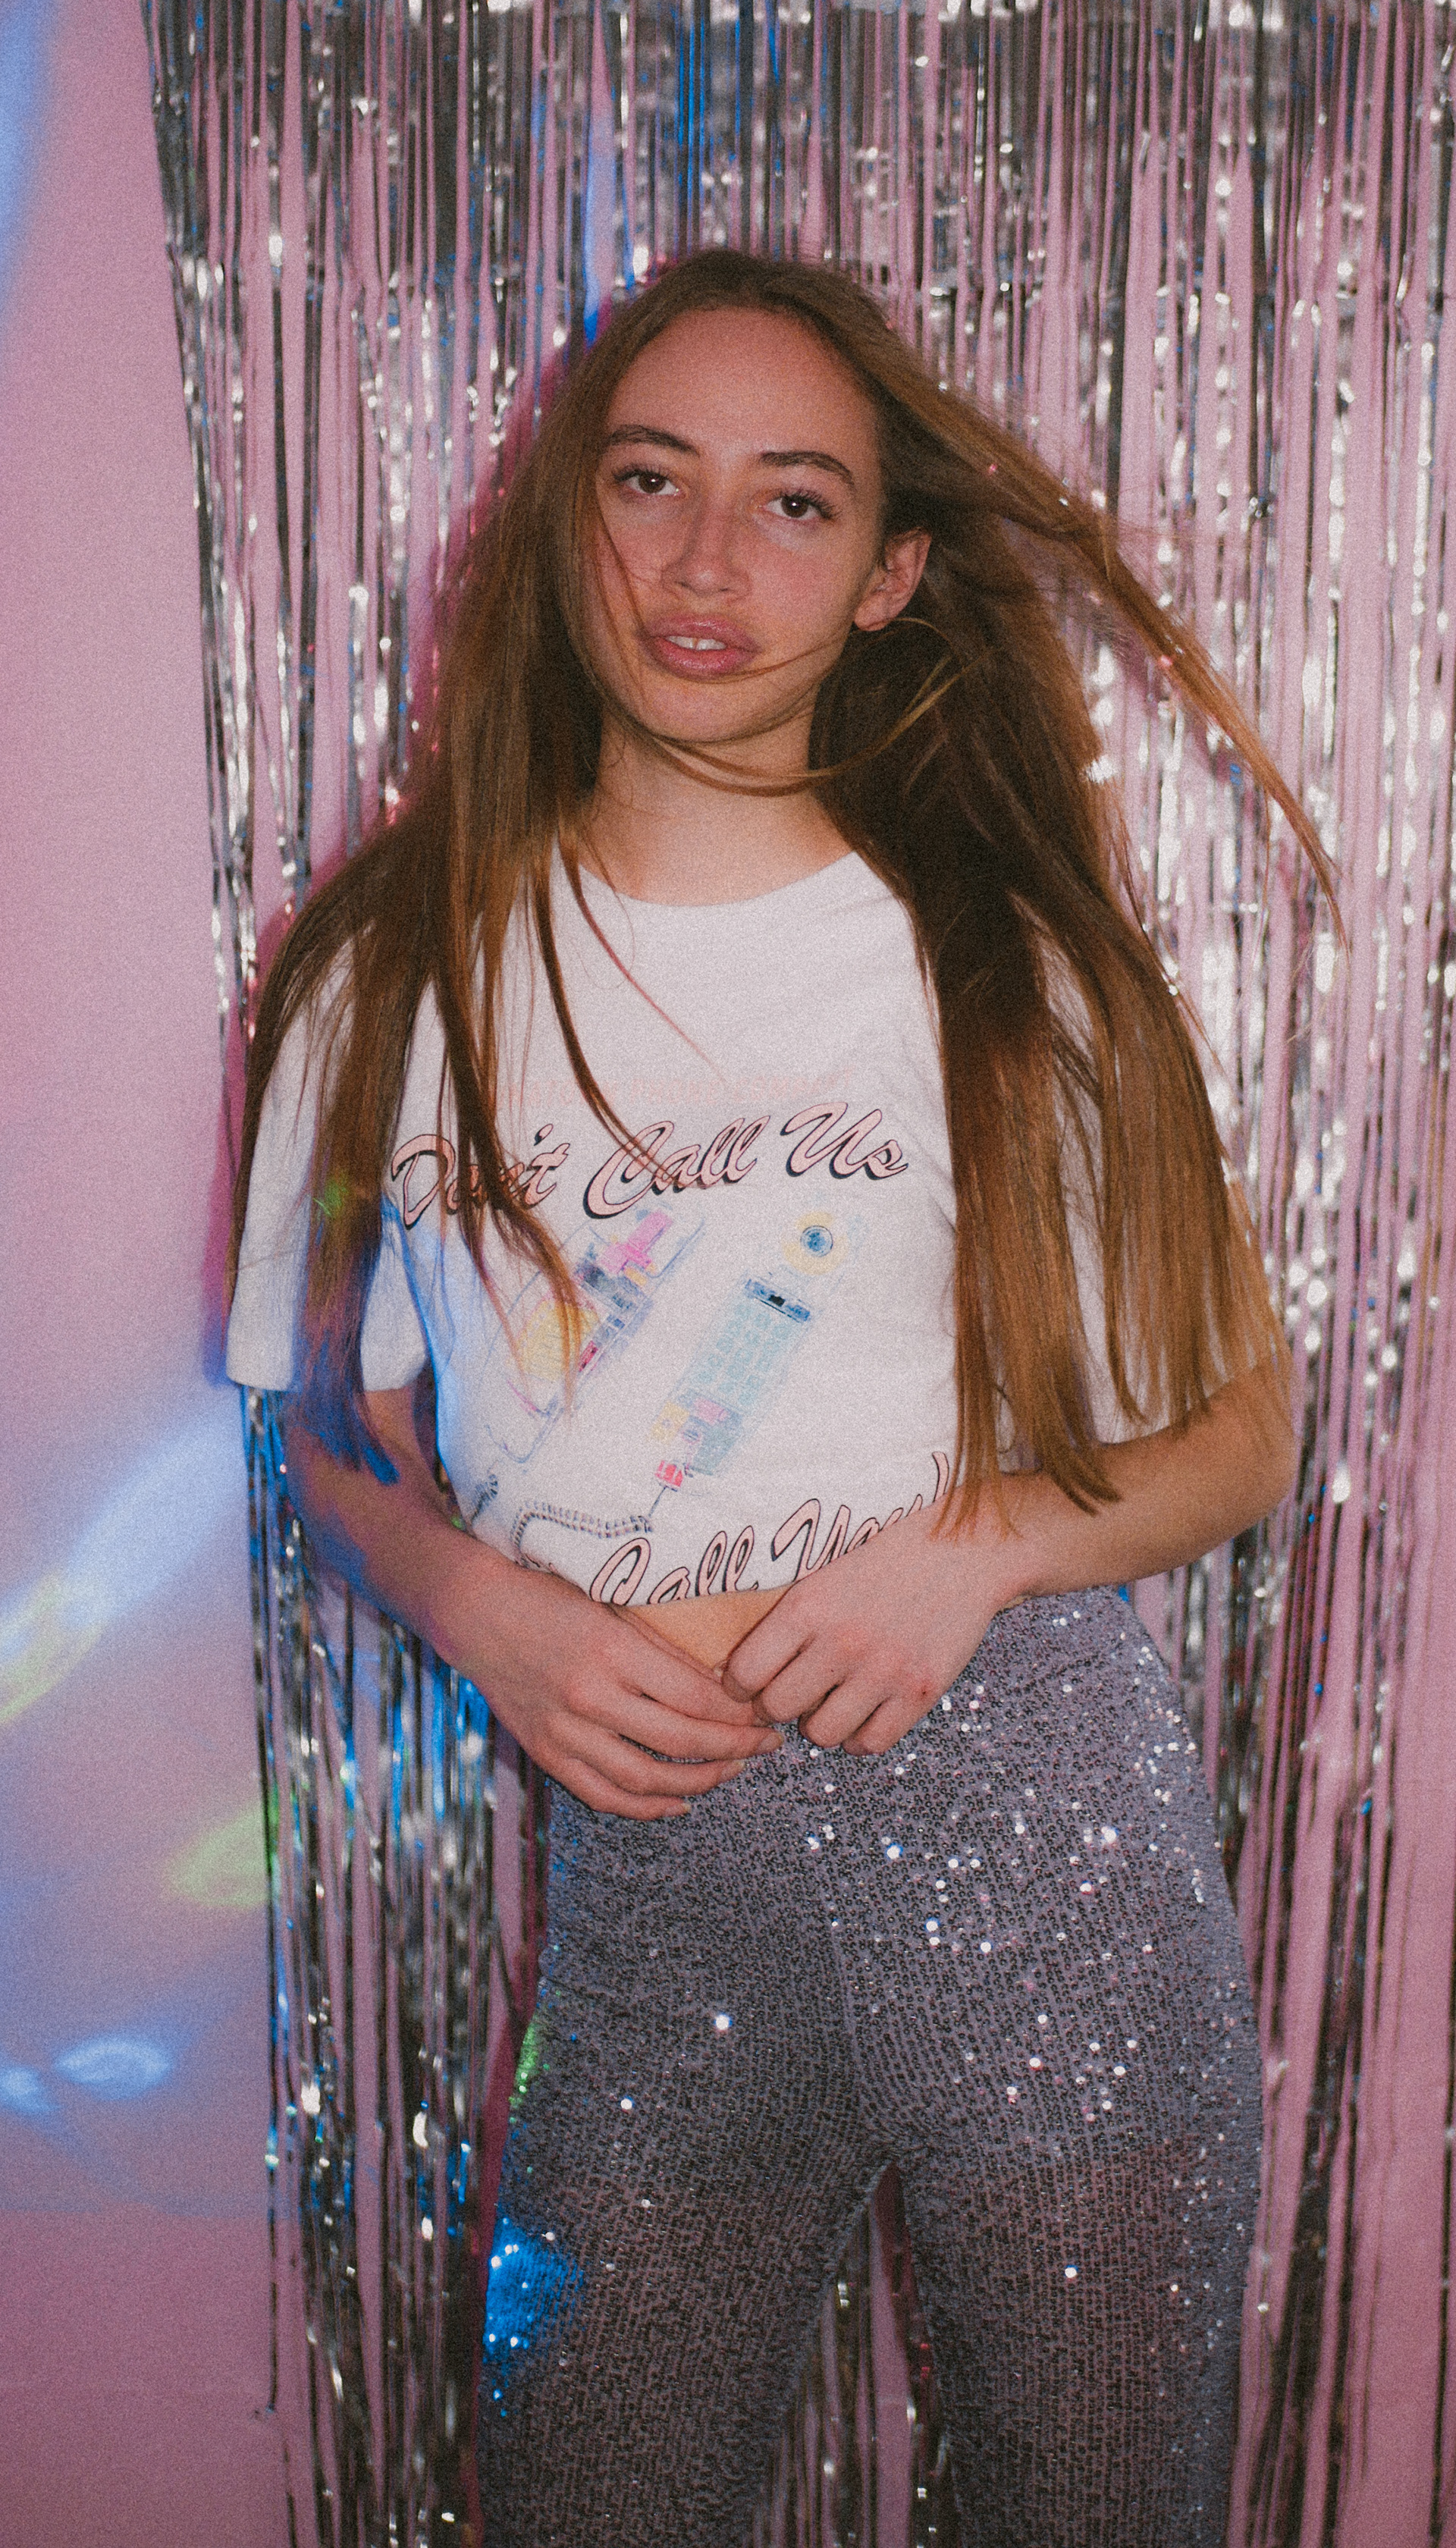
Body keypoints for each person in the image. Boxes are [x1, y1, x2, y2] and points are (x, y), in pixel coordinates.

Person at [225, 251, 1331, 2546]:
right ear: (568, 516)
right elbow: (321, 1416)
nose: (710, 561)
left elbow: (1243, 1428)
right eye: (653, 480)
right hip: (652, 1902)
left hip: (1036, 1855)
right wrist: (477, 1608)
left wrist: (982, 1542)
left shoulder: (1004, 961)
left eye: (796, 501)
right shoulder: (382, 969)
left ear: (891, 571)